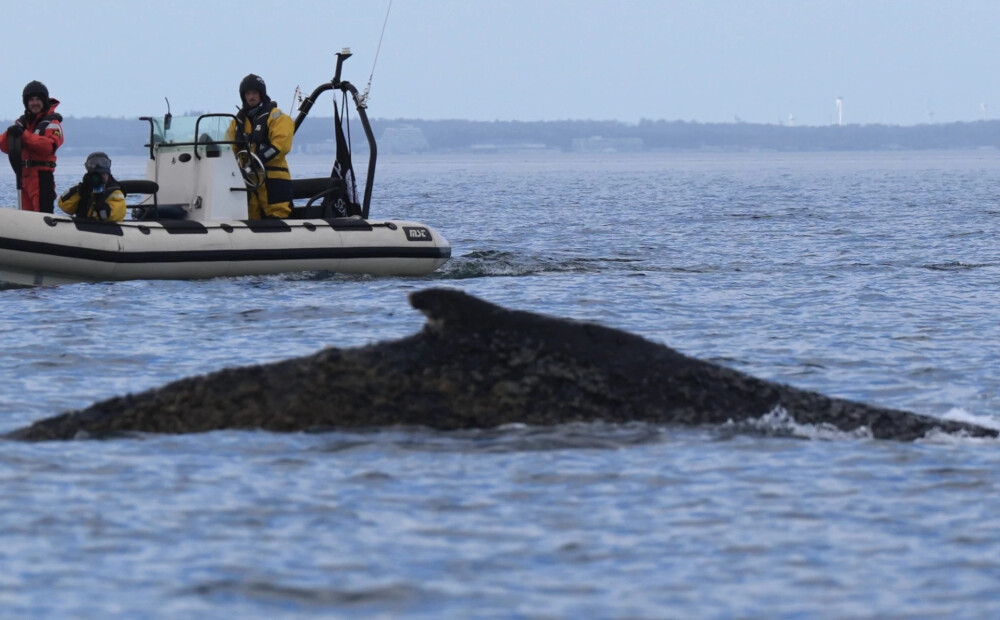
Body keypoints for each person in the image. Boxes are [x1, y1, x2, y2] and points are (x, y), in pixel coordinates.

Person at [226, 74, 294, 219]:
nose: (251, 97)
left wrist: (257, 160)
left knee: (278, 213)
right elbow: (229, 147)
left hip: (273, 178)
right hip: (248, 180)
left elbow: (281, 145)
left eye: (255, 93)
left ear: (261, 94)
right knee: (250, 215)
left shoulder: (277, 117)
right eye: (248, 93)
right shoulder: (237, 122)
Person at [0, 81, 64, 212]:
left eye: (38, 99)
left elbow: (47, 148)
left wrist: (24, 135)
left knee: (42, 216)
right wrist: (10, 133)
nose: (34, 103)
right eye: (31, 100)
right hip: (24, 177)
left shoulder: (53, 124)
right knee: (26, 218)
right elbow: (4, 146)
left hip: (42, 177)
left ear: (44, 101)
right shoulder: (23, 123)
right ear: (26, 103)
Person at [57, 151, 126, 222]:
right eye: (96, 176)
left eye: (103, 174)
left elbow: (109, 217)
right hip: (82, 226)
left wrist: (99, 200)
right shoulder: (82, 188)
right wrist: (80, 191)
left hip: (103, 229)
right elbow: (64, 206)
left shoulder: (115, 192)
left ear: (108, 173)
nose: (100, 179)